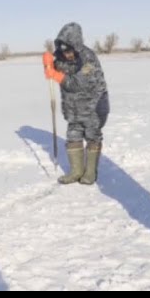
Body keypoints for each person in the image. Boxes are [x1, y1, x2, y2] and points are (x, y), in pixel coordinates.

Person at [43, 22, 110, 185]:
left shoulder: (89, 59)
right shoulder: (61, 56)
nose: (67, 54)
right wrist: (48, 63)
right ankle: (76, 171)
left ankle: (90, 172)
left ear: (76, 46)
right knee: (73, 136)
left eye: (69, 50)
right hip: (73, 108)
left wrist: (55, 75)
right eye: (63, 50)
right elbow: (55, 66)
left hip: (94, 107)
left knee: (92, 136)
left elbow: (77, 83)